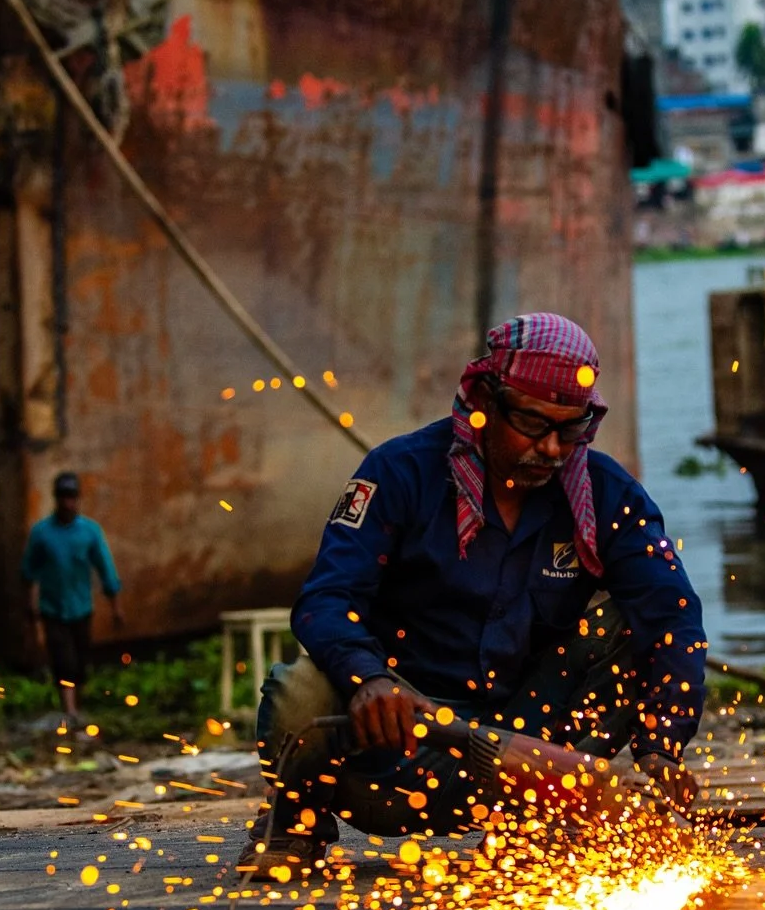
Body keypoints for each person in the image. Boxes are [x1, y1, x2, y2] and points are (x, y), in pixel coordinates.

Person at [246, 312, 707, 875]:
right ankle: (296, 823)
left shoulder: (609, 494)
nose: (554, 449)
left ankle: (534, 827)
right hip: (397, 745)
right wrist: (370, 680)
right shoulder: (399, 473)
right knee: (300, 688)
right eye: (534, 425)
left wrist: (661, 745)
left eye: (571, 430)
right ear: (484, 400)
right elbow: (326, 599)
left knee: (624, 629)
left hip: (528, 754)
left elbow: (673, 617)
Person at [22, 472, 123, 728]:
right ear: (56, 500)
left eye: (72, 497)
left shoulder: (89, 532)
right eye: (64, 498)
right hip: (53, 608)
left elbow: (105, 569)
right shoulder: (42, 533)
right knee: (63, 659)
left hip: (81, 607)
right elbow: (29, 571)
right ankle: (70, 710)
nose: (68, 503)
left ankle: (77, 705)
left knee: (80, 660)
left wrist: (116, 608)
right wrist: (31, 603)